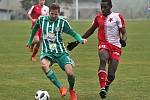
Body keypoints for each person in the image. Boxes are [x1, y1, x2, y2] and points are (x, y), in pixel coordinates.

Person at [67, 0, 127, 99]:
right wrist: (78, 41)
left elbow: (124, 32)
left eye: (105, 7)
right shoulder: (98, 17)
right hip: (103, 44)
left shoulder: (117, 17)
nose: (103, 9)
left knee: (111, 75)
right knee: (103, 59)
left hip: (116, 46)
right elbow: (90, 30)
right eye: (101, 7)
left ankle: (106, 85)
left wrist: (123, 41)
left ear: (110, 6)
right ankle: (102, 88)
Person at [26, 3, 87, 100]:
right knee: (44, 65)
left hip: (60, 52)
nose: (54, 16)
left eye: (56, 14)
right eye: (52, 14)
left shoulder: (62, 22)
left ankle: (71, 90)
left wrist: (80, 40)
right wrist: (30, 41)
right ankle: (61, 88)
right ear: (49, 12)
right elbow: (35, 28)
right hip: (47, 51)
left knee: (70, 73)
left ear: (59, 13)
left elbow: (73, 33)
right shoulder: (42, 19)